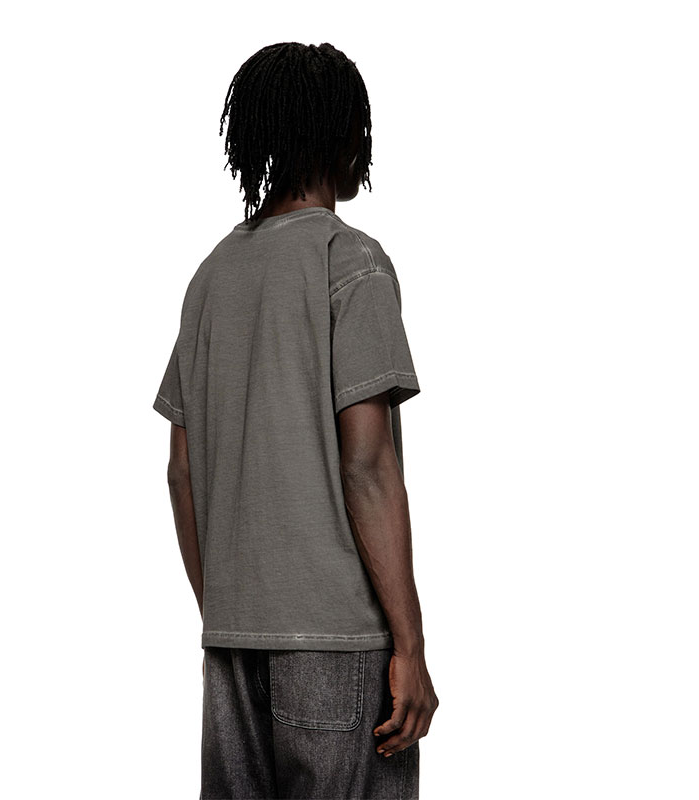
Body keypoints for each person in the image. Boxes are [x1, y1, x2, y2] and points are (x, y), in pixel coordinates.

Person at [153, 41, 439, 799]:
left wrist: (227, 606)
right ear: (345, 138)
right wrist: (410, 646)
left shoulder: (210, 278)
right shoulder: (350, 262)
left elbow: (181, 471)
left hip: (231, 641)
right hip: (340, 642)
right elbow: (367, 464)